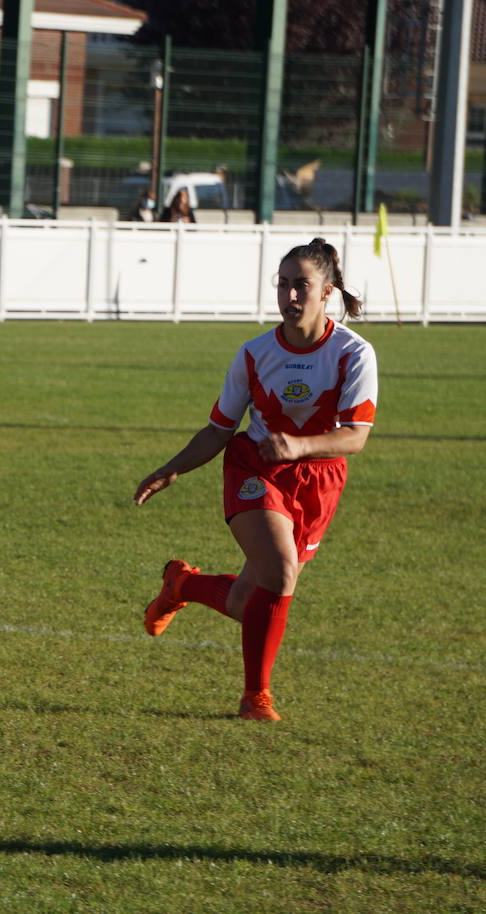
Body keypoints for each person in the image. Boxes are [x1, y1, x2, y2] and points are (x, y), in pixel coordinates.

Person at [133, 237, 377, 721]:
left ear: (326, 291)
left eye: (301, 286)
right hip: (257, 467)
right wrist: (171, 468)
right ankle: (254, 698)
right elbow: (220, 429)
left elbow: (355, 437)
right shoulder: (254, 353)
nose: (289, 296)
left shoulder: (354, 353)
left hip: (319, 480)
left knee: (252, 600)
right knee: (281, 571)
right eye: (282, 285)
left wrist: (300, 446)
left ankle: (181, 585)